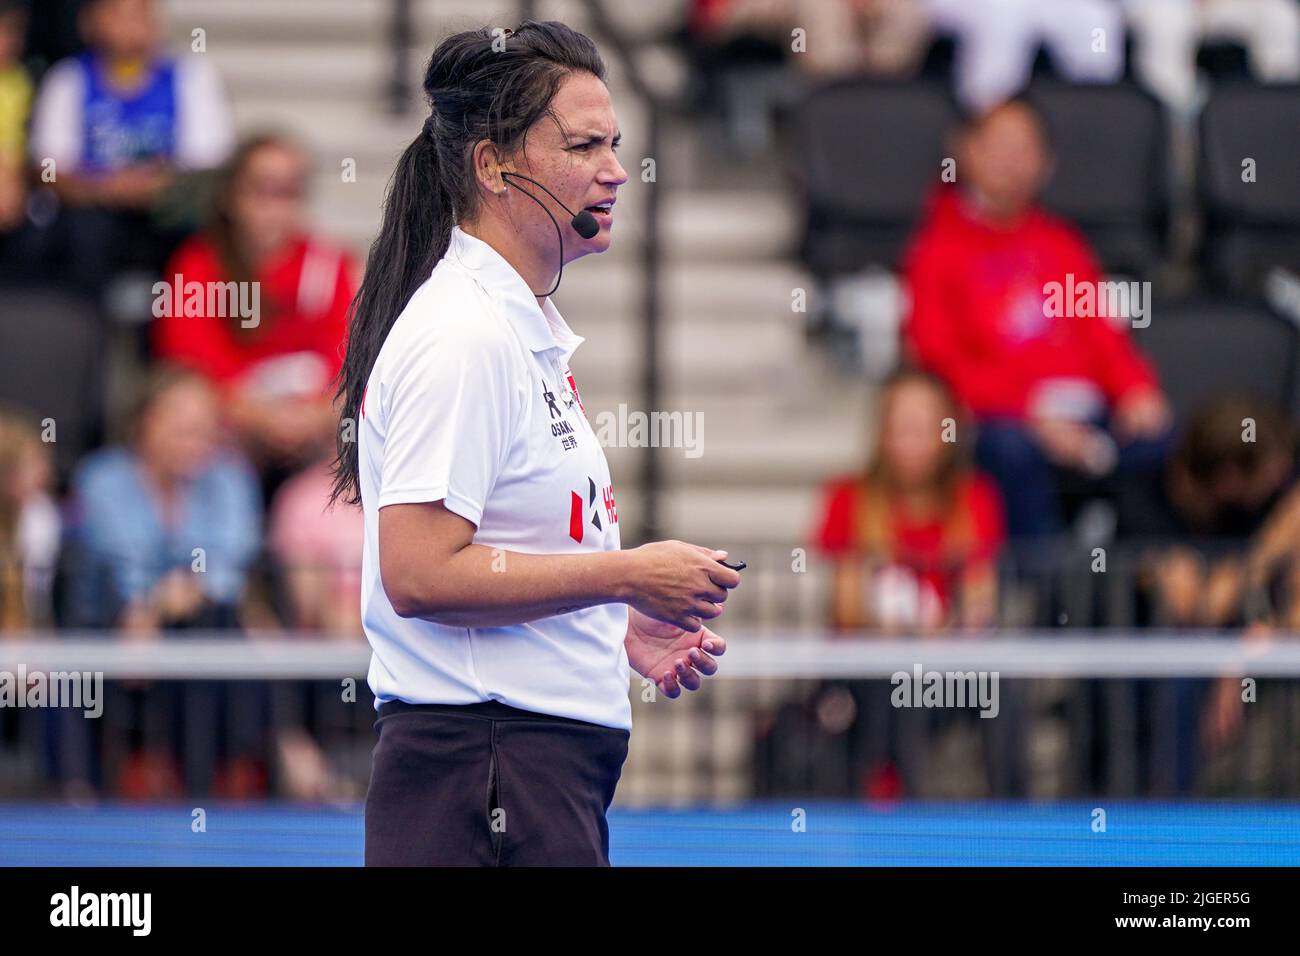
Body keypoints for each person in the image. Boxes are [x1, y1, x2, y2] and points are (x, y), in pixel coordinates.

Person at [328, 21, 742, 866]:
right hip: (485, 766)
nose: (617, 170)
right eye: (584, 144)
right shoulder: (464, 337)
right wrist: (625, 574)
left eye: (616, 143)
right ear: (493, 164)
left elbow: (507, 550)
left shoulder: (515, 330)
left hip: (517, 765)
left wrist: (608, 621)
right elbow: (420, 573)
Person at [903, 99, 1173, 540]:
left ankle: (1132, 589)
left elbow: (1102, 333)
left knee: (1156, 442)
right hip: (1002, 420)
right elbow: (940, 362)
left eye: (1025, 149)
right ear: (968, 151)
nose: (1012, 162)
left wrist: (1136, 390)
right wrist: (1031, 416)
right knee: (1012, 451)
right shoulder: (935, 252)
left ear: (1045, 162)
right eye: (1000, 146)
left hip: (1086, 410)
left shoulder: (1062, 244)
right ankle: (1042, 593)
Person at [152, 133, 354, 502]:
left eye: (287, 192)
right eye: (261, 190)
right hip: (226, 428)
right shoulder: (198, 262)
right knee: (183, 404)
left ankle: (317, 531)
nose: (273, 207)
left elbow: (346, 357)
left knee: (360, 415)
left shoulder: (327, 265)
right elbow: (190, 358)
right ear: (231, 196)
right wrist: (260, 418)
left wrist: (311, 417)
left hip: (309, 428)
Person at [25, 0, 233, 293]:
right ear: (89, 24)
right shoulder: (67, 80)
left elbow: (211, 160)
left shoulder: (191, 76)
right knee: (81, 234)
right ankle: (83, 328)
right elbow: (48, 170)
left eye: (142, 12)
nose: (132, 24)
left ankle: (183, 328)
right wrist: (105, 189)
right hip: (93, 218)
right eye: (118, 13)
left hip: (169, 215)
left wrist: (157, 186)